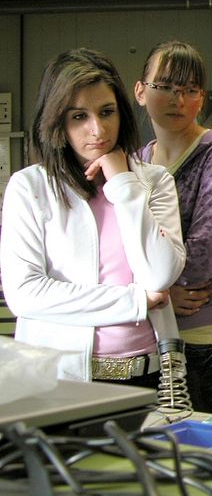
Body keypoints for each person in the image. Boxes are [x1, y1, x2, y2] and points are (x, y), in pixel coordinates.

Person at [1, 48, 186, 387]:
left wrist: (123, 184)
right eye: (79, 117)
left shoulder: (154, 181)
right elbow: (25, 294)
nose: (98, 129)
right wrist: (134, 301)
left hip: (150, 374)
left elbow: (160, 274)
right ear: (57, 122)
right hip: (60, 380)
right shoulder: (30, 187)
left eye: (107, 112)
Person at [135, 40, 212, 412]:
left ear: (201, 99)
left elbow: (203, 255)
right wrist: (156, 295)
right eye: (164, 86)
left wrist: (149, 293)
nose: (177, 99)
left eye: (189, 89)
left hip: (202, 338)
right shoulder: (134, 163)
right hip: (145, 339)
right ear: (141, 92)